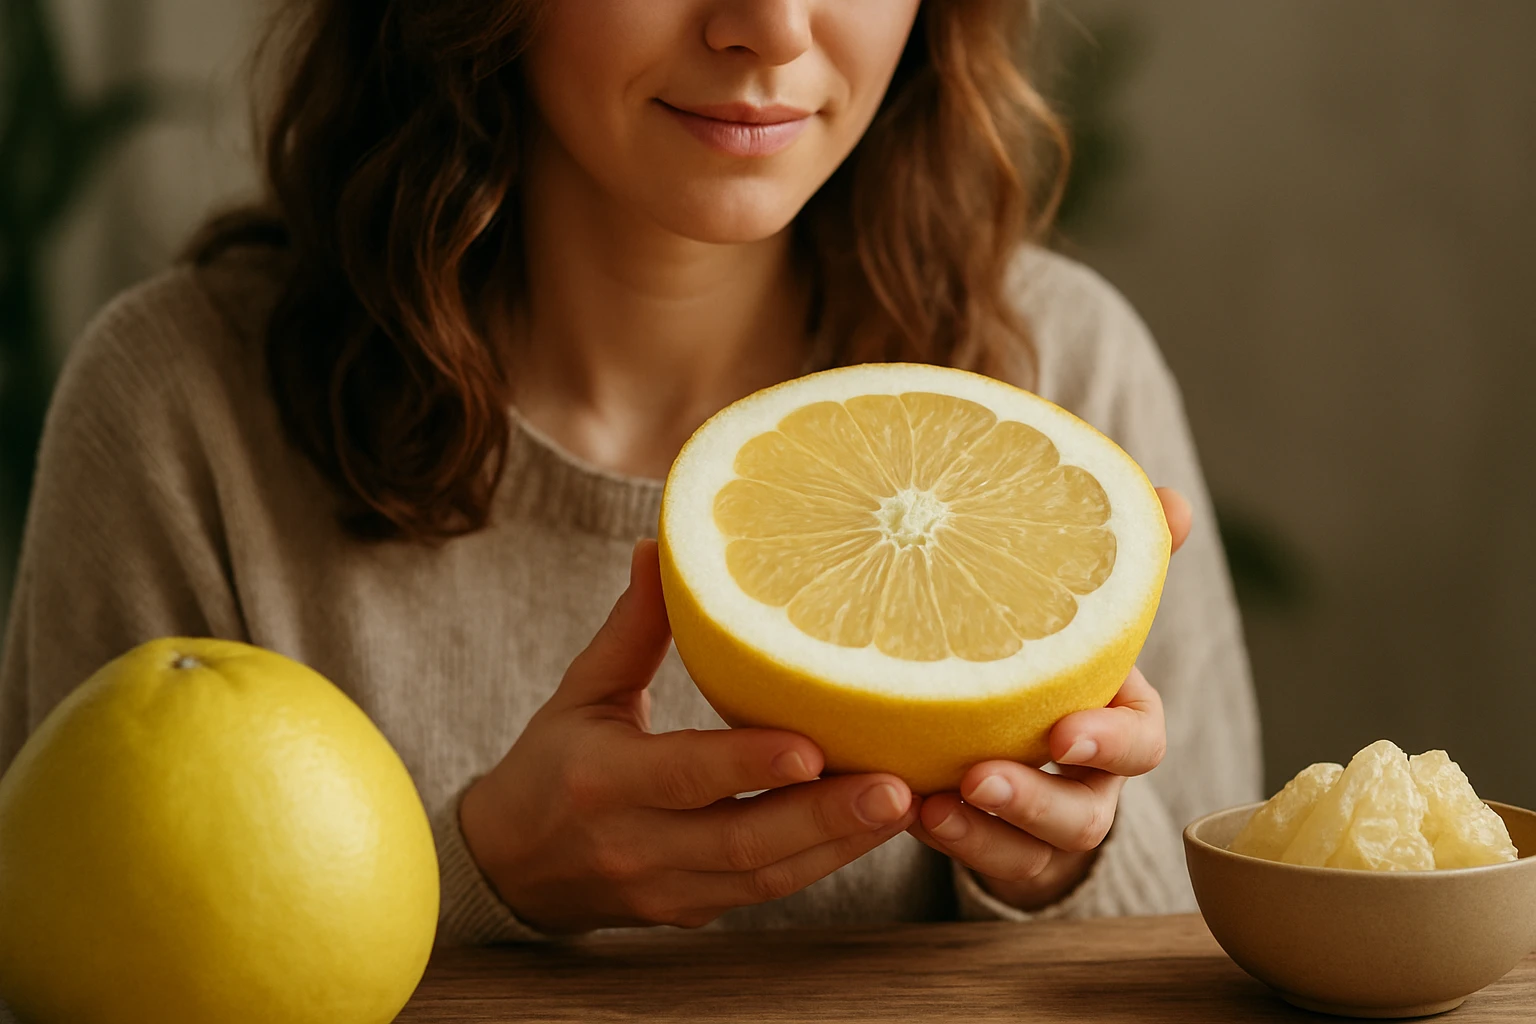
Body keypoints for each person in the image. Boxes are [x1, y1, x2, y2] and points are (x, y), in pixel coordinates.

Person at [0, 0, 1261, 943]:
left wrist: (1073, 865)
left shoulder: (1061, 378)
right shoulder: (180, 411)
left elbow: (1217, 968)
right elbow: (78, 972)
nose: (768, 27)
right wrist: (484, 876)